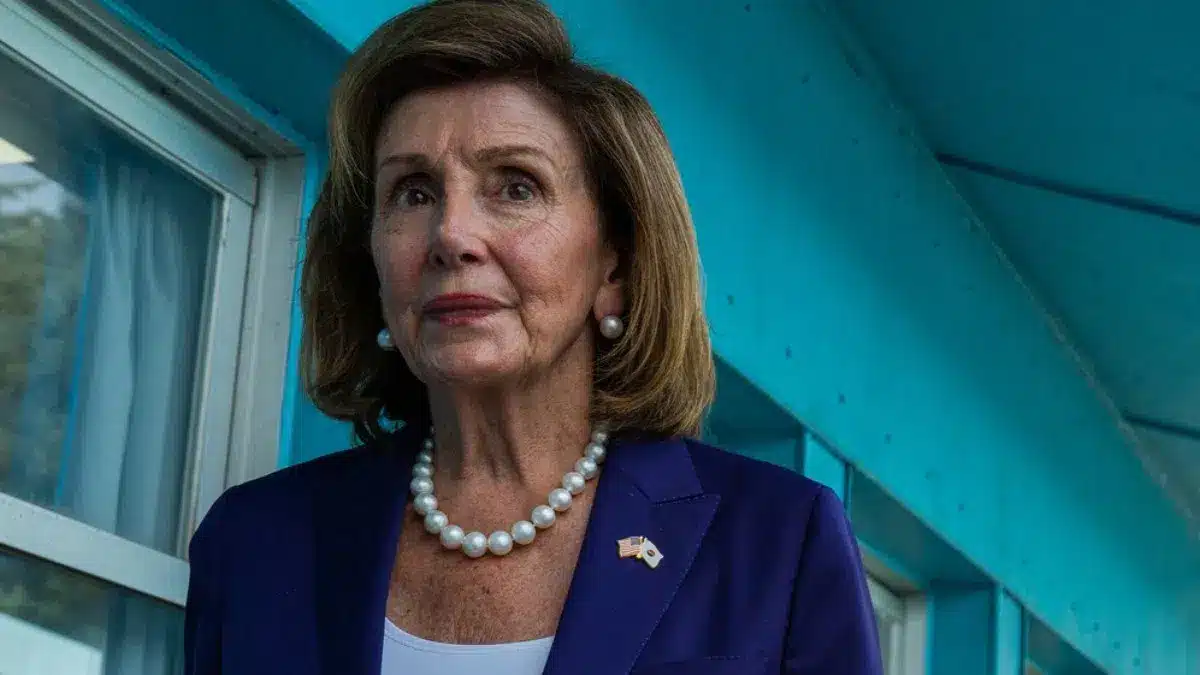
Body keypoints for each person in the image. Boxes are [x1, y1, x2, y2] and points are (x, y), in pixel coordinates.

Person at [183, 0, 883, 673]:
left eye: (516, 187)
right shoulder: (254, 543)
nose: (452, 235)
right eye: (414, 193)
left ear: (614, 267)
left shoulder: (781, 541)